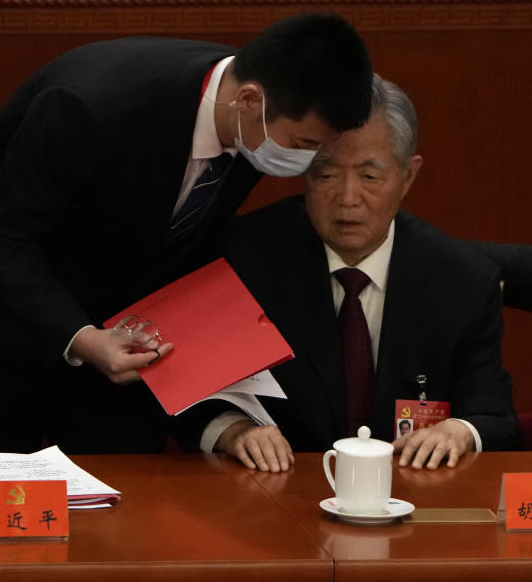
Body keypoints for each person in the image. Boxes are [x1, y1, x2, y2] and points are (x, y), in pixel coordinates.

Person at [0, 13, 374, 453]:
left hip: (109, 299)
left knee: (121, 481)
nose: (303, 161)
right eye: (302, 145)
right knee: (2, 475)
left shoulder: (252, 116)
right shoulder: (94, 105)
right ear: (249, 99)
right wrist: (82, 338)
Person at [184, 75, 521, 471]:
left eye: (369, 176)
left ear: (408, 176)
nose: (346, 198)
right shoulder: (245, 258)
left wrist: (460, 431)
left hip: (409, 498)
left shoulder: (461, 280)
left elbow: (496, 420)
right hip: (275, 494)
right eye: (326, 175)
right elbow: (185, 391)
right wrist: (232, 429)